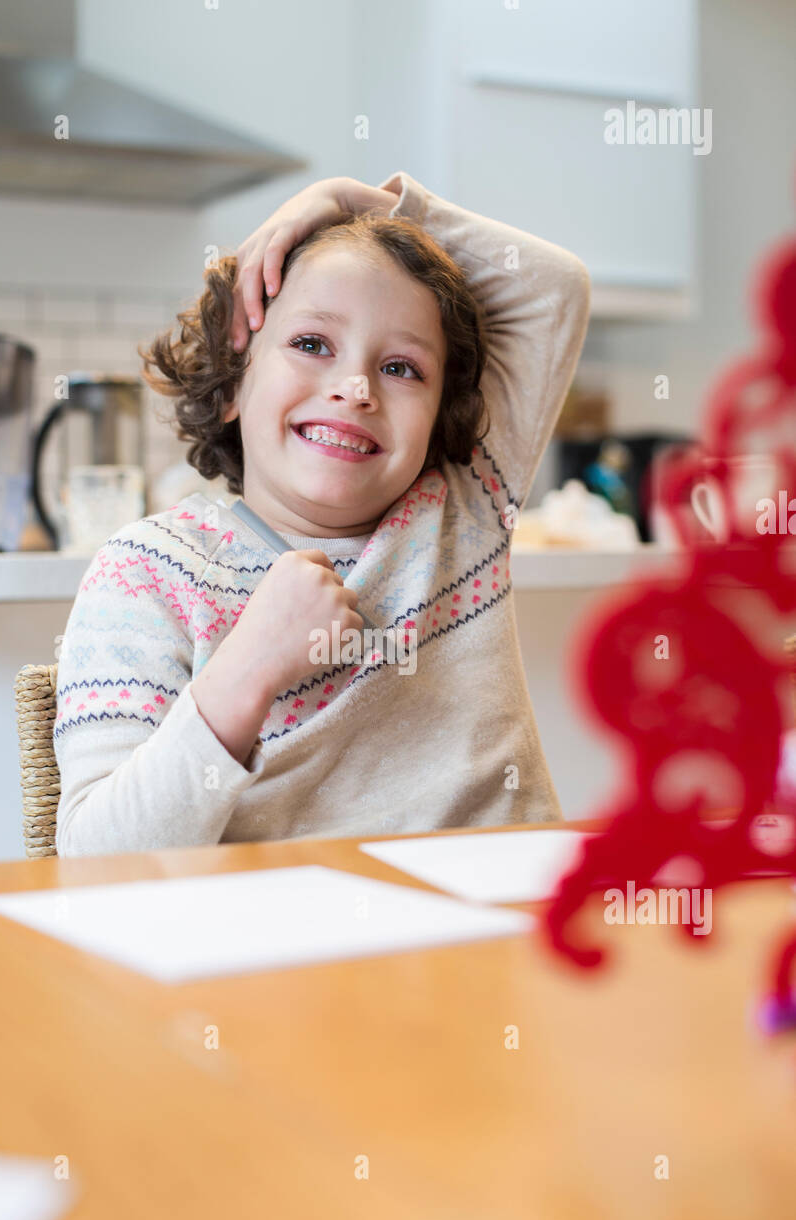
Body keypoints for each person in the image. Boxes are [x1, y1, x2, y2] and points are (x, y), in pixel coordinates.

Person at [53, 171, 591, 856]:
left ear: (440, 415)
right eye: (312, 345)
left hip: (505, 931)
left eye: (403, 368)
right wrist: (248, 669)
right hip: (292, 948)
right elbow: (98, 862)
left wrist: (347, 200)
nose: (356, 387)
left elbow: (556, 287)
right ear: (231, 385)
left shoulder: (466, 500)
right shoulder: (146, 572)